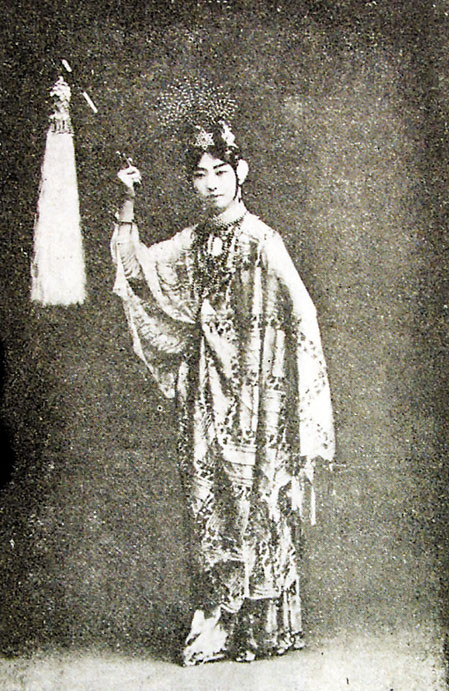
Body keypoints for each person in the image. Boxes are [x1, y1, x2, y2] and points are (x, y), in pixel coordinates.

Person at [111, 119, 335, 665]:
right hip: (206, 396)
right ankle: (217, 619)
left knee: (256, 500)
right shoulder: (192, 243)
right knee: (207, 501)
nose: (210, 183)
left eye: (220, 171)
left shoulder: (262, 239)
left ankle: (258, 627)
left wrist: (295, 397)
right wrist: (127, 202)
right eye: (199, 174)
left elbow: (302, 312)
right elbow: (137, 271)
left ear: (241, 173)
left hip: (260, 399)